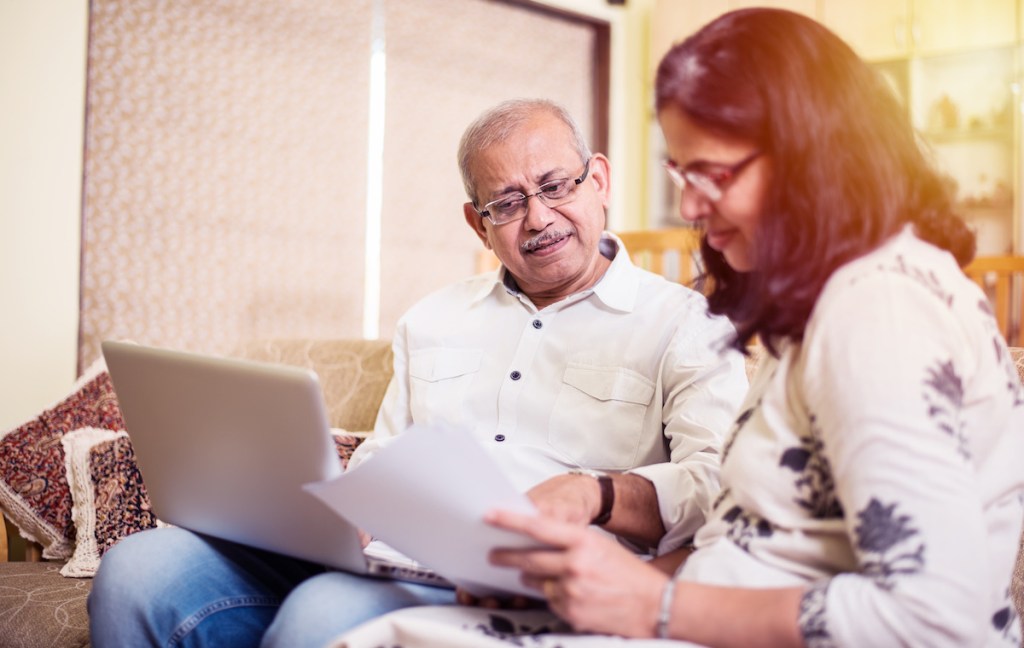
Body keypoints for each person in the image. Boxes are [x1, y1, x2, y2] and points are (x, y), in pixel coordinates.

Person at [321, 9, 1024, 648]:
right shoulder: (832, 303)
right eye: (682, 172)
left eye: (713, 173)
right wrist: (588, 584)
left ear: (816, 154)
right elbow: (756, 539)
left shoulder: (879, 310)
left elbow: (937, 616)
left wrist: (652, 605)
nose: (689, 204)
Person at [87, 98, 748, 647]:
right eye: (507, 203)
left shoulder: (688, 322)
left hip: (533, 580)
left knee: (323, 612)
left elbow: (720, 488)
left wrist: (595, 492)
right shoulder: (432, 317)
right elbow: (386, 452)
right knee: (136, 570)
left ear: (598, 180)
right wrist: (349, 506)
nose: (539, 218)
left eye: (555, 186)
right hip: (394, 554)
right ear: (477, 223)